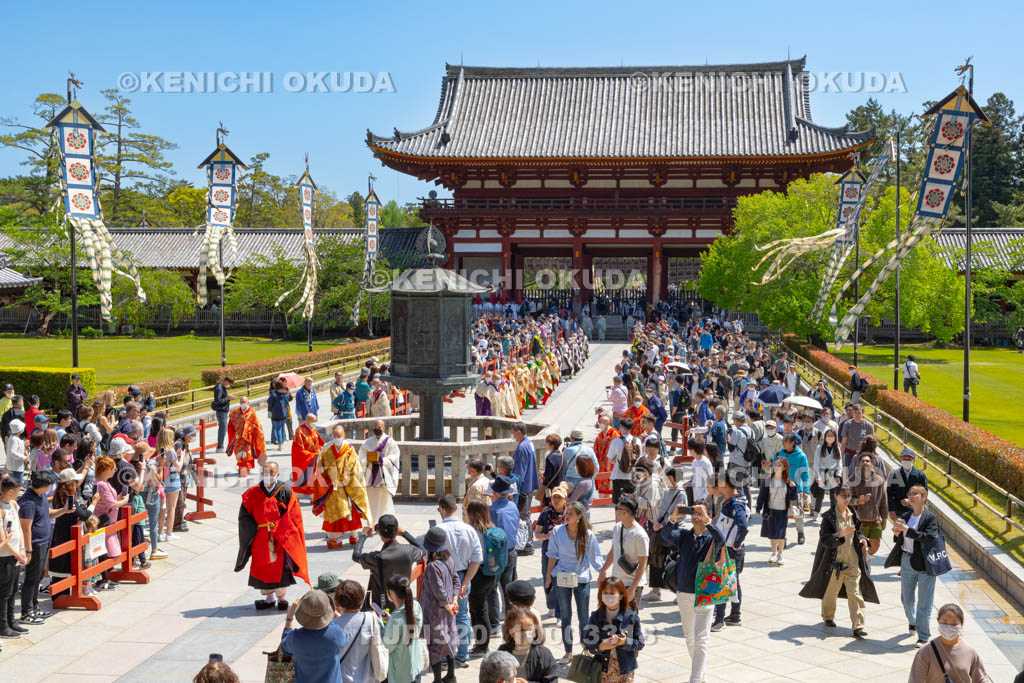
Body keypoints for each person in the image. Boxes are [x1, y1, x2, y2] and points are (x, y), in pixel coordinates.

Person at [799, 485, 879, 638]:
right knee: (830, 593)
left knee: (855, 593)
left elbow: (859, 532)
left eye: (849, 495)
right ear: (836, 496)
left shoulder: (853, 514)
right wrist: (840, 534)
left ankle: (858, 626)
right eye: (844, 495)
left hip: (853, 560)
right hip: (835, 562)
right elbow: (824, 539)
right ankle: (828, 617)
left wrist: (863, 540)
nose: (847, 498)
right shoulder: (829, 516)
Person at [659, 503, 723, 683]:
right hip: (684, 592)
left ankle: (694, 679)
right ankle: (700, 674)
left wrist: (708, 520)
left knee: (701, 638)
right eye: (693, 513)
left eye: (699, 513)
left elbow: (722, 541)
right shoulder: (685, 536)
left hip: (704, 592)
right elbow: (665, 535)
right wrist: (673, 517)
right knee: (689, 638)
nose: (696, 516)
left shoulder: (711, 537)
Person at [236, 461, 310, 609]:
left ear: (277, 474)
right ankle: (269, 598)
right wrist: (253, 527)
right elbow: (244, 517)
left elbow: (294, 516)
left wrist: (280, 527)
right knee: (262, 565)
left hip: (280, 537)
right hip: (260, 536)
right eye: (265, 472)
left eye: (271, 473)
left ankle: (282, 598)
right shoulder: (252, 493)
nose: (268, 476)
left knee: (280, 566)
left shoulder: (285, 492)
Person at [545, 501, 604, 664]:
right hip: (562, 576)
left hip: (581, 578)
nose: (566, 515)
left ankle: (586, 647)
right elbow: (552, 555)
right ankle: (568, 651)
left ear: (579, 517)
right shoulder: (557, 531)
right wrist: (549, 576)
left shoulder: (588, 535)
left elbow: (595, 558)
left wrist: (604, 574)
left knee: (583, 615)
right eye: (566, 512)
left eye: (570, 513)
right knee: (565, 615)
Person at [885, 485, 940, 647]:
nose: (912, 496)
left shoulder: (930, 518)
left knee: (924, 602)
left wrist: (907, 530)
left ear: (924, 497)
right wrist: (897, 533)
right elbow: (900, 538)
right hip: (907, 561)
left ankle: (923, 636)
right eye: (910, 494)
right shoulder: (907, 515)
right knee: (906, 599)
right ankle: (914, 621)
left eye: (915, 493)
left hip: (925, 564)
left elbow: (930, 537)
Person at [436, 493, 482, 664]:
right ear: (456, 508)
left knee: (443, 616)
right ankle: (462, 654)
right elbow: (477, 558)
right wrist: (466, 581)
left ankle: (444, 655)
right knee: (462, 614)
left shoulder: (438, 531)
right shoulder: (469, 530)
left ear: (441, 509)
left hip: (443, 576)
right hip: (463, 574)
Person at [314, 424, 372, 548]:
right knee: (332, 513)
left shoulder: (350, 451)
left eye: (339, 436)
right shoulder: (327, 451)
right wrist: (327, 483)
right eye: (334, 436)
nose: (336, 438)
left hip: (347, 488)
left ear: (344, 435)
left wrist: (346, 480)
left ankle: (353, 535)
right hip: (331, 488)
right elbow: (320, 469)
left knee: (350, 512)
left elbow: (355, 469)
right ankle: (335, 538)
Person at [353, 513, 424, 610]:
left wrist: (363, 536)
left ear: (379, 532)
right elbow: (422, 550)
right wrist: (404, 533)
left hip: (382, 608)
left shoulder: (377, 557)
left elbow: (356, 556)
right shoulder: (409, 551)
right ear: (396, 531)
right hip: (405, 604)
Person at [18, 469, 62, 624]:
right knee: (31, 578)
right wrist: (28, 550)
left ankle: (34, 607)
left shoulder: (41, 496)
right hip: (34, 545)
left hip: (43, 542)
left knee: (37, 577)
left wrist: (63, 510)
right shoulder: (28, 502)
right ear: (43, 486)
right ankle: (26, 612)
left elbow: (47, 513)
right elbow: (26, 528)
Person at [581, 577, 644, 683]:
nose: (608, 596)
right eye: (605, 593)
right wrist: (601, 646)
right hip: (602, 670)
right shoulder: (595, 617)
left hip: (625, 670)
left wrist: (625, 642)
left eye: (612, 593)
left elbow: (640, 643)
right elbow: (587, 642)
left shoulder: (631, 617)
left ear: (621, 596)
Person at [909, 603, 991, 682]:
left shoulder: (970, 652)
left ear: (961, 625)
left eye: (954, 624)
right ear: (938, 622)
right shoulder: (925, 651)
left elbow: (981, 679)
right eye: (944, 623)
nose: (948, 627)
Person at [280, 590, 349, 683]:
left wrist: (289, 617)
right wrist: (332, 614)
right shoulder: (336, 634)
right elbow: (343, 641)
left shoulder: (295, 637)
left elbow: (284, 646)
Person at [421, 526, 461, 683]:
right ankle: (451, 676)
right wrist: (454, 601)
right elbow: (456, 580)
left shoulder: (432, 566)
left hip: (433, 613)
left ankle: (437, 679)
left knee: (435, 646)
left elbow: (438, 591)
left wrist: (448, 604)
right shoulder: (449, 559)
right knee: (449, 642)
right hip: (449, 611)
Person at [711, 470, 749, 629]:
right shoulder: (732, 500)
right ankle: (735, 615)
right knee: (733, 582)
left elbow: (743, 526)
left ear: (726, 484)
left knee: (723, 582)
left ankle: (719, 619)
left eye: (719, 482)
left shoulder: (735, 504)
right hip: (727, 549)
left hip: (729, 550)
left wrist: (736, 543)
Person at [597, 494, 649, 610]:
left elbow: (643, 563)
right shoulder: (617, 528)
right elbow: (613, 550)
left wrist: (633, 588)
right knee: (615, 617)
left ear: (625, 512)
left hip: (632, 584)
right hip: (617, 582)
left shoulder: (640, 535)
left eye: (617, 509)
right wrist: (603, 570)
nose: (615, 511)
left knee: (630, 620)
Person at [332, 579, 381, 683]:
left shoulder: (333, 625)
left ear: (338, 601)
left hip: (341, 678)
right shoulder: (371, 618)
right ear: (361, 599)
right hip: (367, 678)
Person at [496, 606, 558, 683]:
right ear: (511, 632)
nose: (525, 633)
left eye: (529, 629)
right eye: (520, 630)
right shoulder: (502, 653)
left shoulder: (544, 655)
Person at [488, 474, 521, 621]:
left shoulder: (493, 510)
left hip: (496, 554)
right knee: (509, 587)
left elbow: (489, 534)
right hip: (511, 550)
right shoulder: (513, 506)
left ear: (494, 492)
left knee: (492, 589)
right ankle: (511, 616)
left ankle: (494, 622)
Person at [382, 574, 425, 683]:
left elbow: (388, 646)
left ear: (391, 593)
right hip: (416, 665)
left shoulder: (396, 619)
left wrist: (382, 626)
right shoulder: (415, 606)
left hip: (402, 672)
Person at [533, 484, 566, 619]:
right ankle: (551, 607)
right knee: (548, 580)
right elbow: (537, 534)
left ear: (565, 499)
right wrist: (547, 536)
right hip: (548, 552)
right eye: (554, 497)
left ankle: (561, 611)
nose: (556, 500)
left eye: (559, 498)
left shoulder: (569, 513)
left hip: (565, 554)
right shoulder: (545, 514)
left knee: (562, 582)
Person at [0, 477, 28, 638]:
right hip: (5, 556)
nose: (19, 494)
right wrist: (16, 553)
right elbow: (3, 539)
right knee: (4, 592)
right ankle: (3, 625)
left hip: (17, 555)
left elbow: (18, 528)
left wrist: (22, 549)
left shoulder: (14, 505)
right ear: (10, 491)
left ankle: (11, 621)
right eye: (18, 491)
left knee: (12, 591)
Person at [359, 419, 401, 522]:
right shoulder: (368, 442)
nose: (377, 429)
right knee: (372, 500)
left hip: (384, 475)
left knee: (385, 501)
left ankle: (386, 523)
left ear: (384, 428)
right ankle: (372, 523)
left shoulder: (390, 442)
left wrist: (383, 460)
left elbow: (394, 457)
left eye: (379, 428)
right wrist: (367, 460)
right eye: (375, 428)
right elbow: (361, 456)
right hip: (371, 475)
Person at [758, 457, 796, 565]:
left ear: (784, 468)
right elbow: (762, 495)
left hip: (783, 510)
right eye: (776, 465)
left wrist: (793, 488)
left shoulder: (788, 481)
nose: (777, 467)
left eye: (779, 465)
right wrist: (758, 508)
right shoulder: (769, 480)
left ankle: (780, 554)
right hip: (771, 510)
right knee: (772, 533)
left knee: (781, 533)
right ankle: (773, 553)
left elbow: (793, 498)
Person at [510, 422, 539, 555]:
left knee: (524, 516)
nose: (513, 435)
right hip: (531, 483)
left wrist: (515, 489)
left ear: (519, 432)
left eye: (514, 433)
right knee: (526, 515)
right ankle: (527, 543)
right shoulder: (529, 443)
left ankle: (527, 544)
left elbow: (519, 473)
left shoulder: (522, 448)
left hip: (524, 487)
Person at [851, 452, 888, 556]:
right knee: (860, 547)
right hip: (859, 522)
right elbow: (847, 499)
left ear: (872, 464)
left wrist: (884, 519)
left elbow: (883, 501)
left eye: (867, 461)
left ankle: (866, 559)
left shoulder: (879, 481)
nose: (865, 463)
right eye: (863, 461)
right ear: (859, 465)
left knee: (875, 546)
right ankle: (863, 565)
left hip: (875, 521)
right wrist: (857, 501)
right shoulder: (853, 480)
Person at [777, 433, 810, 545]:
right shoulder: (780, 453)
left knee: (798, 514)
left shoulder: (801, 456)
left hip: (797, 489)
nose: (783, 444)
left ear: (792, 443)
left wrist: (806, 490)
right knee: (782, 514)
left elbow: (805, 474)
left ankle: (800, 533)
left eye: (785, 442)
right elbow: (775, 468)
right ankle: (783, 537)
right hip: (781, 488)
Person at [227, 398, 266, 477]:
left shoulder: (252, 413)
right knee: (238, 453)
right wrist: (233, 434)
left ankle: (246, 468)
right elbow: (230, 425)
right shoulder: (235, 412)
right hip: (238, 438)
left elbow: (257, 426)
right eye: (241, 402)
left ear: (248, 402)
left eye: (244, 402)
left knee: (247, 454)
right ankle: (241, 466)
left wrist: (258, 435)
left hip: (248, 438)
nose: (242, 404)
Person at [156, 427, 182, 542]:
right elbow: (178, 467)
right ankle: (169, 533)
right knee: (171, 508)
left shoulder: (158, 450)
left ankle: (160, 532)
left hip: (161, 481)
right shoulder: (170, 450)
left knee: (162, 508)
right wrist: (180, 456)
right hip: (172, 480)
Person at [812, 427, 842, 521]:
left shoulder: (837, 448)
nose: (830, 438)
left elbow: (839, 463)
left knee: (834, 496)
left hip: (833, 474)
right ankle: (817, 513)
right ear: (825, 437)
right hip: (822, 472)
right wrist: (818, 476)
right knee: (820, 495)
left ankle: (833, 513)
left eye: (832, 436)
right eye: (828, 436)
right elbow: (816, 463)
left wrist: (838, 475)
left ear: (835, 437)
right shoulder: (819, 448)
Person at [889, 448, 928, 521]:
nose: (906, 460)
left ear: (914, 460)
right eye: (904, 458)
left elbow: (924, 494)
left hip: (915, 512)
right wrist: (891, 510)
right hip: (899, 512)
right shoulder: (894, 474)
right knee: (899, 532)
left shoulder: (920, 475)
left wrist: (910, 501)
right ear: (901, 459)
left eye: (909, 458)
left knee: (913, 532)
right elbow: (889, 494)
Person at [291, 412, 325, 496]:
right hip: (305, 458)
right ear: (308, 421)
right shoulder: (300, 431)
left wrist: (322, 450)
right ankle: (300, 493)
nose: (315, 423)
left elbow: (321, 443)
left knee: (315, 476)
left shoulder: (314, 430)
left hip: (315, 457)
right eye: (314, 421)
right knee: (304, 476)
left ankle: (312, 494)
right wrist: (311, 455)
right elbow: (297, 448)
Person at [607, 418, 639, 504]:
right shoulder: (637, 441)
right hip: (633, 476)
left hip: (618, 474)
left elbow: (610, 458)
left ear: (622, 427)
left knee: (618, 502)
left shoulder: (616, 441)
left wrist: (619, 462)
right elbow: (640, 458)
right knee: (631, 502)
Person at [211, 376, 234, 453]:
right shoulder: (219, 388)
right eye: (229, 383)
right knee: (222, 429)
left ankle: (220, 446)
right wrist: (228, 398)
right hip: (221, 412)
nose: (229, 385)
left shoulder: (222, 387)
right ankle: (220, 447)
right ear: (225, 381)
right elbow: (218, 401)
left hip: (223, 411)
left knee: (223, 429)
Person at [268, 380, 293, 450]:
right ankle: (282, 441)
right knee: (282, 428)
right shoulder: (285, 394)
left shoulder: (273, 394)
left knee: (278, 428)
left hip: (276, 413)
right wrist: (288, 393)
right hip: (284, 413)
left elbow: (270, 402)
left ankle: (280, 443)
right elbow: (289, 399)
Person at [4, 419, 25, 485]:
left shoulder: (13, 437)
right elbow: (12, 453)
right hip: (16, 468)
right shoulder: (14, 439)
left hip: (16, 466)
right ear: (19, 431)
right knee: (17, 484)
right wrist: (24, 457)